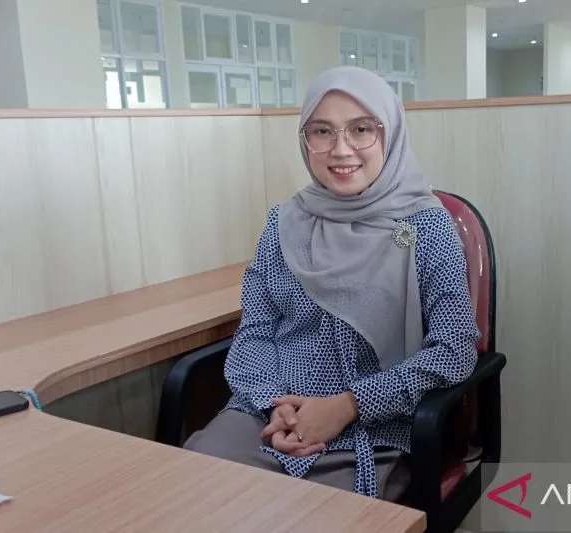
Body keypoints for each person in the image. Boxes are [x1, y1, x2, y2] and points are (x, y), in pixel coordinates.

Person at [183, 65, 480, 501]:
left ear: (390, 132)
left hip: (372, 430)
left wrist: (349, 405)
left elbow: (454, 350)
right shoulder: (283, 224)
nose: (341, 150)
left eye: (361, 129)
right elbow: (256, 332)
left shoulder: (427, 228)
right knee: (193, 494)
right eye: (322, 131)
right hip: (268, 419)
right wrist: (276, 407)